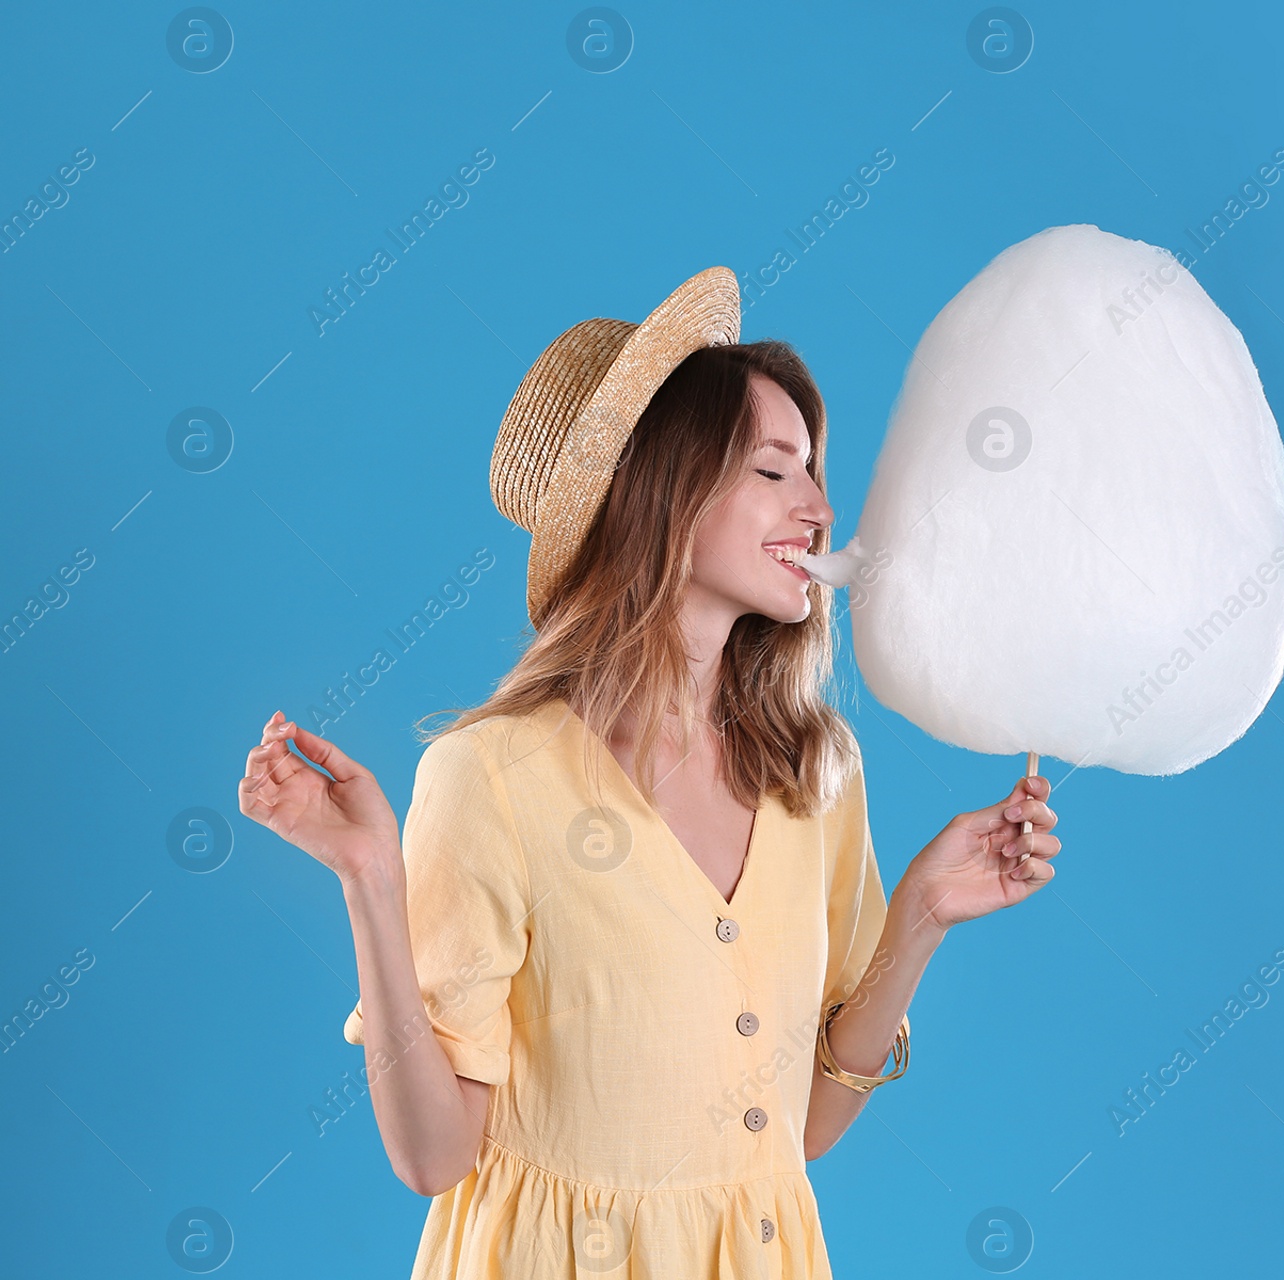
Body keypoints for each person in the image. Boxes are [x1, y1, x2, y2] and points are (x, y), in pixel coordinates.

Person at [237, 266, 1060, 1278]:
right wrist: (370, 876)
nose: (817, 507)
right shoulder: (491, 775)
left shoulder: (817, 770)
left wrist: (921, 913)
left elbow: (795, 1129)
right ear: (662, 489)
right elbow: (432, 1155)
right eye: (772, 470)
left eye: (811, 469)